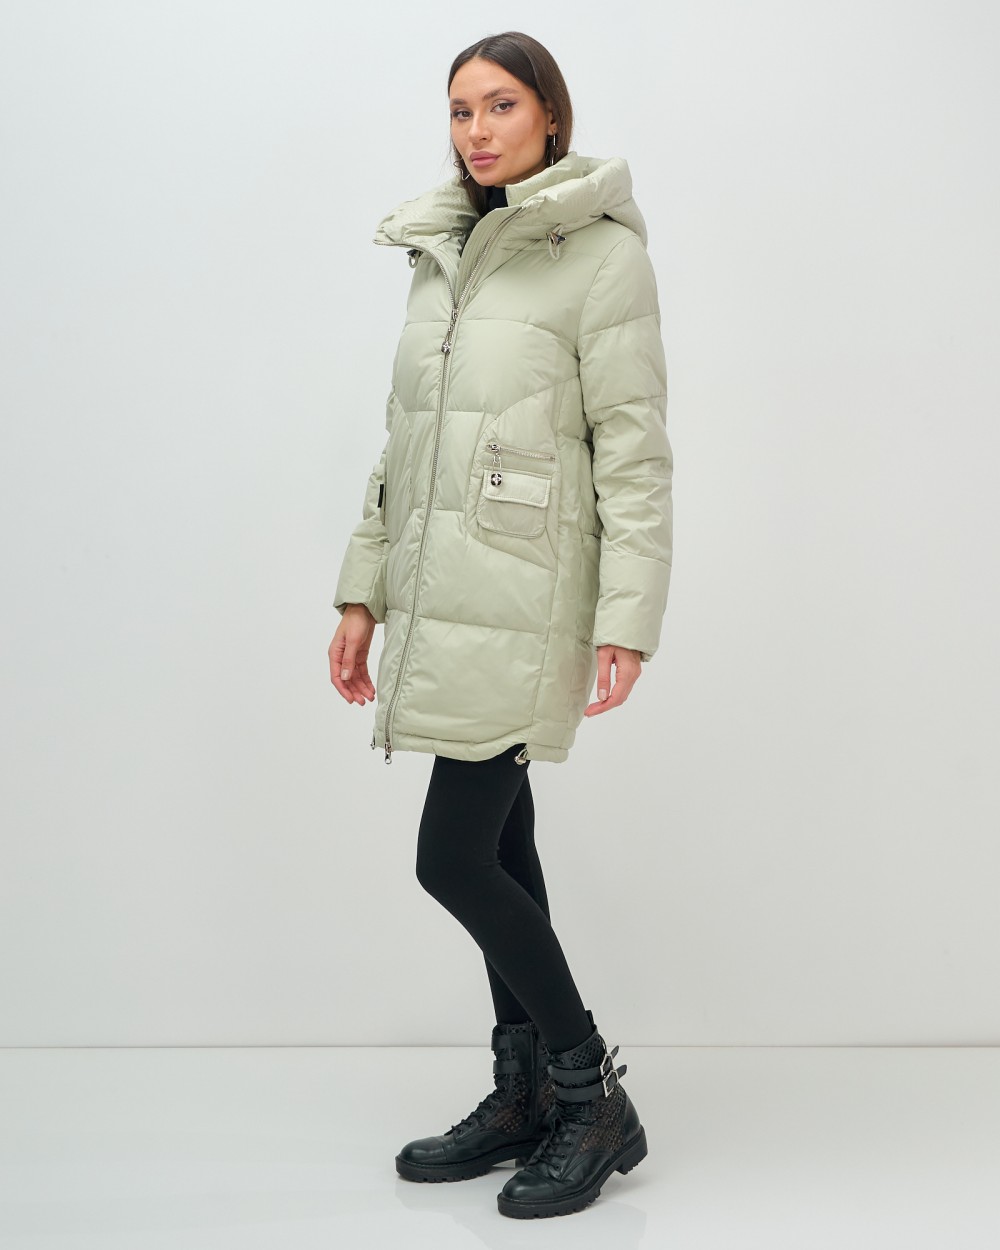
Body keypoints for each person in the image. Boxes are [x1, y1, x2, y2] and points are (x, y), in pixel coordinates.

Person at [327, 31, 672, 1220]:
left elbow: (633, 450)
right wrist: (361, 591)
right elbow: (404, 443)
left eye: (500, 106)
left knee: (453, 856)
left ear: (550, 118)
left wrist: (628, 614)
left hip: (527, 593)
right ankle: (526, 1092)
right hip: (439, 591)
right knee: (503, 849)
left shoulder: (601, 256)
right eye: (460, 110)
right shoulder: (442, 252)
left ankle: (590, 1093)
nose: (476, 130)